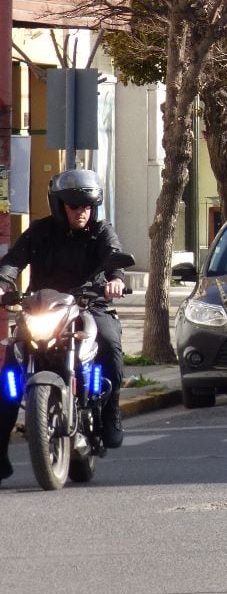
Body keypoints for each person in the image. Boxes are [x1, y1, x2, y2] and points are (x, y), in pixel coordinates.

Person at [0, 169, 128, 485]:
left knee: (110, 344)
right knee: (11, 371)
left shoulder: (101, 231)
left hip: (88, 305)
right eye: (74, 206)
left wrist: (115, 280)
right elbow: (14, 260)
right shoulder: (40, 232)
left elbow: (114, 258)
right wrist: (3, 282)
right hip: (43, 308)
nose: (81, 212)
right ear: (60, 206)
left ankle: (110, 411)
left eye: (86, 206)